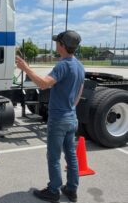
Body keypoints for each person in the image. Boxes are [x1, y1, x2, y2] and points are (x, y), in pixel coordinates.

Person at [16, 30, 85, 203]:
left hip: (59, 119)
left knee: (53, 156)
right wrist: (71, 107)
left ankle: (53, 191)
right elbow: (80, 90)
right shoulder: (79, 65)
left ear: (62, 45)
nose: (55, 44)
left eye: (57, 42)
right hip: (71, 117)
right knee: (71, 154)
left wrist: (26, 68)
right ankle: (71, 189)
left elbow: (43, 84)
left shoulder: (63, 65)